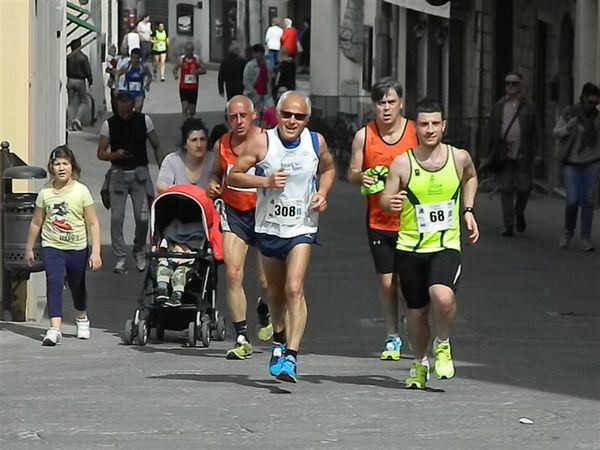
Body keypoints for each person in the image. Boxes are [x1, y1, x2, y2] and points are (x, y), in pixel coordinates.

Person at [228, 91, 336, 382]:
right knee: (274, 293)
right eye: (287, 114)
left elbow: (328, 168)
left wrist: (323, 194)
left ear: (307, 119)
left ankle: (291, 356)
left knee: (294, 288)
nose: (292, 121)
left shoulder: (315, 142)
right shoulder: (263, 142)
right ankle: (278, 338)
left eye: (299, 117)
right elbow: (234, 176)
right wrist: (265, 180)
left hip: (301, 227)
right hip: (269, 227)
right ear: (277, 114)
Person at [380, 98, 479, 389]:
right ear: (416, 128)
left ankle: (443, 343)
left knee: (443, 296)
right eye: (424, 124)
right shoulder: (403, 163)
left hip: (446, 244)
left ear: (444, 125)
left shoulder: (459, 158)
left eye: (435, 123)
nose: (430, 129)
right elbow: (385, 199)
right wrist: (391, 202)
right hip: (410, 248)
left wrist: (468, 210)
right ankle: (419, 363)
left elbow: (471, 178)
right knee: (416, 312)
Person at [347, 77, 418, 361]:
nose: (386, 108)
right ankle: (392, 335)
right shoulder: (364, 136)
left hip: (412, 221)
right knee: (388, 283)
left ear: (401, 103)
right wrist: (360, 176)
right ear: (373, 105)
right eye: (380, 103)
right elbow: (351, 171)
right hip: (378, 221)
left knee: (410, 282)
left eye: (391, 102)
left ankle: (415, 326)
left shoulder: (415, 131)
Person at [206, 95, 273, 360]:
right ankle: (242, 335)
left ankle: (264, 307)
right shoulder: (221, 144)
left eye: (243, 115)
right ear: (227, 120)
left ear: (253, 115)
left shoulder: (268, 141)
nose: (239, 121)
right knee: (233, 274)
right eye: (233, 117)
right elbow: (215, 174)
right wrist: (213, 184)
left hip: (264, 213)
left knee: (266, 281)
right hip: (235, 214)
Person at [24, 146, 102, 346]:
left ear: (72, 166)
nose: (61, 168)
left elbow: (93, 223)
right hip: (52, 246)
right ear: (51, 168)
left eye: (65, 163)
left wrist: (96, 252)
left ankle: (82, 317)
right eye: (57, 164)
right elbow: (36, 222)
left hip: (77, 248)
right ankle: (54, 329)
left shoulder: (81, 191)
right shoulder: (45, 193)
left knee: (77, 287)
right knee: (54, 283)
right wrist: (29, 247)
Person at [97, 92, 164, 274]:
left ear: (133, 106)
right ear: (116, 107)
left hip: (140, 175)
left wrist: (164, 169)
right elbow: (101, 152)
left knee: (142, 218)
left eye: (128, 110)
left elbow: (156, 144)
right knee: (117, 218)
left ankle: (138, 249)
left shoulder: (145, 121)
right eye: (121, 110)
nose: (125, 114)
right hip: (118, 174)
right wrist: (115, 155)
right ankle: (120, 257)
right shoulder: (108, 125)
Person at [485, 71, 541, 237]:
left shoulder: (529, 107)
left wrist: (538, 154)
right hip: (504, 154)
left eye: (514, 83)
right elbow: (491, 130)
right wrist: (487, 154)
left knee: (524, 188)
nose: (510, 86)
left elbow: (537, 132)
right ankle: (508, 224)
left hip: (523, 154)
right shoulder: (499, 106)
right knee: (506, 189)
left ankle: (519, 212)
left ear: (520, 86)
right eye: (507, 83)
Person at [553, 82, 600, 251]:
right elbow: (556, 132)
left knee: (588, 201)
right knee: (572, 200)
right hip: (571, 163)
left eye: (596, 103)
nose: (593, 106)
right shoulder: (570, 113)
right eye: (590, 102)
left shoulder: (597, 118)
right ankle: (568, 231)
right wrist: (569, 127)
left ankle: (585, 238)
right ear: (583, 99)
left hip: (591, 163)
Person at [157, 118, 215, 194]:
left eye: (202, 139)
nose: (199, 145)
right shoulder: (172, 160)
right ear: (185, 144)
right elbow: (161, 187)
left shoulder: (214, 159)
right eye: (194, 140)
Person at [155, 218, 205, 307]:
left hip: (185, 264)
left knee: (179, 274)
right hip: (169, 261)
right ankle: (162, 290)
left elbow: (196, 255)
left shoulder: (195, 241)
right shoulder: (170, 237)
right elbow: (162, 249)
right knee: (162, 268)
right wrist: (162, 258)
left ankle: (177, 295)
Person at [173, 42, 206, 119]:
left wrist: (197, 72)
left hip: (193, 88)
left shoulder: (197, 59)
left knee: (192, 111)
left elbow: (204, 70)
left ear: (193, 50)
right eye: (187, 50)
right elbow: (175, 69)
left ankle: (190, 120)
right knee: (185, 108)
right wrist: (175, 75)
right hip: (183, 87)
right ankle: (185, 125)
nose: (189, 51)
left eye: (190, 50)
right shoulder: (181, 59)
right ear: (184, 50)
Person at [66, 38, 93, 131]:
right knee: (83, 101)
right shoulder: (83, 57)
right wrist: (90, 80)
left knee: (70, 103)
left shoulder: (68, 57)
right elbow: (88, 70)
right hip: (80, 80)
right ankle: (77, 119)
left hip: (70, 80)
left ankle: (70, 123)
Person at [116, 47, 152, 112]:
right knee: (128, 110)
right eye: (133, 58)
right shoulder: (127, 66)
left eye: (136, 58)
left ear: (139, 58)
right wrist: (116, 88)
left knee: (138, 109)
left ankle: (136, 121)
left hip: (139, 91)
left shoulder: (143, 66)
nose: (134, 60)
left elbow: (149, 76)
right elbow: (117, 74)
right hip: (128, 91)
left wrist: (147, 84)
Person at [243, 44, 269, 119]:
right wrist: (253, 91)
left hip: (265, 93)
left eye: (259, 53)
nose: (258, 55)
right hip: (254, 94)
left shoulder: (267, 64)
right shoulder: (250, 65)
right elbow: (246, 80)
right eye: (256, 53)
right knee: (254, 114)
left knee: (266, 113)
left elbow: (269, 78)